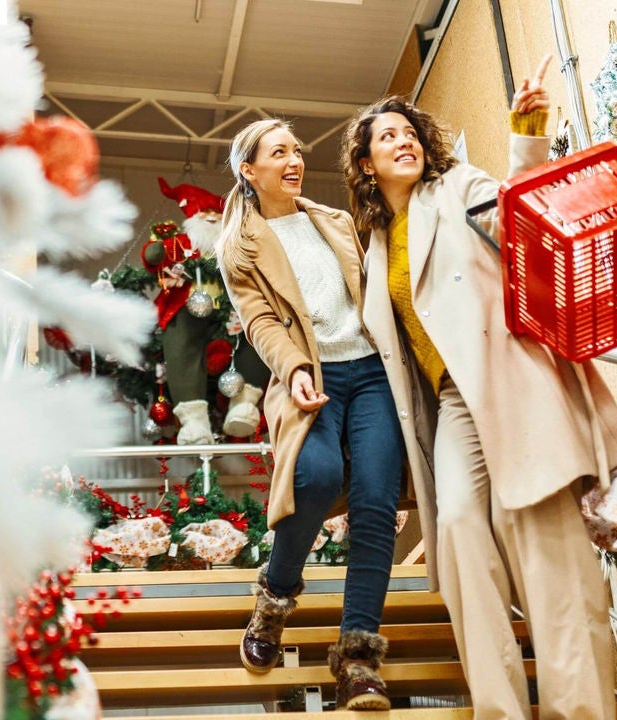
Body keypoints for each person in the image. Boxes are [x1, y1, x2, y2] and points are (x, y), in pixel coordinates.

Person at [342, 56, 617, 719]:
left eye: (408, 130)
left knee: (549, 561)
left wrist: (525, 134)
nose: (403, 140)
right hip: (451, 404)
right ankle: (499, 709)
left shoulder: (457, 188)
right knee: (456, 530)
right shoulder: (373, 245)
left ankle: (579, 712)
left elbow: (519, 217)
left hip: (512, 384)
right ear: (365, 165)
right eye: (386, 137)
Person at [216, 118, 406, 711]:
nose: (294, 160)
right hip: (310, 375)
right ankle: (274, 600)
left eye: (296, 150)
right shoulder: (239, 246)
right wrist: (294, 368)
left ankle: (357, 660)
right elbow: (260, 321)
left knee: (377, 502)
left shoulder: (335, 221)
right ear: (250, 171)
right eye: (278, 153)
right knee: (316, 476)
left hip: (372, 370)